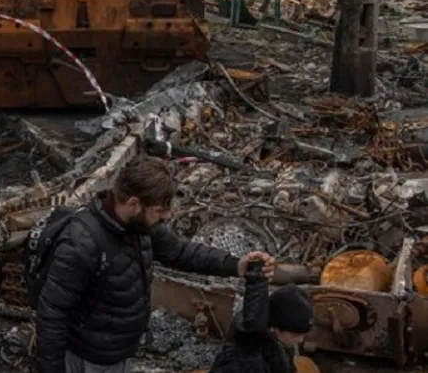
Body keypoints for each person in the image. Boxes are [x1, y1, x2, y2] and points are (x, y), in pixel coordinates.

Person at [34, 157, 275, 373]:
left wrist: (236, 266)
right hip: (88, 359)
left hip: (118, 352)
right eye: (160, 210)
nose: (166, 216)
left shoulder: (141, 228)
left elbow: (181, 251)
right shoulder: (81, 243)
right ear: (133, 203)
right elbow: (52, 314)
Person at [209, 267, 312, 373]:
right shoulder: (243, 357)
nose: (301, 340)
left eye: (302, 334)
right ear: (276, 327)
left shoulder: (280, 341)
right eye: (295, 335)